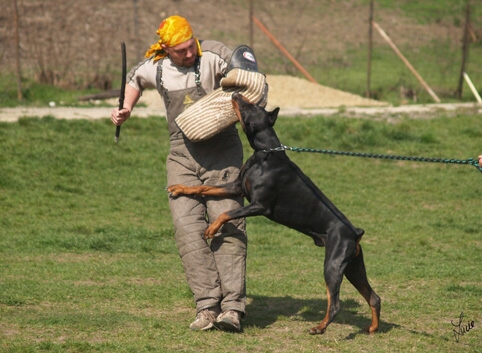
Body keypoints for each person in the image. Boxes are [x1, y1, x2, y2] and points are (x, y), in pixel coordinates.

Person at [111, 15, 247, 332]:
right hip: (181, 155)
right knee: (187, 228)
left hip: (222, 151)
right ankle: (207, 307)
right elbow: (133, 79)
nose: (189, 54)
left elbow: (245, 71)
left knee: (227, 222)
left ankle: (232, 308)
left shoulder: (213, 55)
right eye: (181, 51)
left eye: (190, 47)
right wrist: (125, 110)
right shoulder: (156, 67)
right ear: (166, 49)